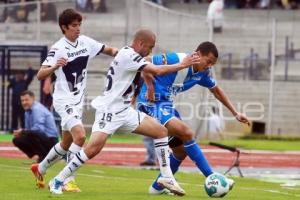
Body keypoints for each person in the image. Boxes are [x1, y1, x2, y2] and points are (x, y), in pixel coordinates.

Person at [47, 29, 201, 195]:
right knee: (92, 149)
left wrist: (145, 88)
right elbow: (157, 70)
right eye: (149, 47)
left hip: (125, 111)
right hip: (110, 111)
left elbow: (145, 74)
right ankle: (58, 180)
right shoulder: (129, 55)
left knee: (161, 131)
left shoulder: (131, 55)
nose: (150, 51)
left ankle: (166, 177)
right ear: (140, 43)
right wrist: (182, 65)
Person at [136, 41, 251, 195]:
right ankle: (213, 177)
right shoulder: (177, 58)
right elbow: (145, 62)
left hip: (166, 107)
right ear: (197, 54)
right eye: (208, 61)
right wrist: (149, 86)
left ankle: (156, 188)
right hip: (150, 104)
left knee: (180, 152)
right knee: (187, 132)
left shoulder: (203, 73)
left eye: (213, 64)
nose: (209, 66)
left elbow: (216, 90)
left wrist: (236, 113)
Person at [30, 8, 118, 192]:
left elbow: (109, 50)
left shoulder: (86, 42)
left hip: (78, 101)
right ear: (64, 27)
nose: (78, 29)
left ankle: (41, 168)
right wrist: (55, 66)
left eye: (79, 25)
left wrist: (128, 55)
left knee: (66, 143)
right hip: (64, 101)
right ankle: (67, 179)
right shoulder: (58, 48)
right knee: (80, 136)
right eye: (74, 26)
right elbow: (40, 75)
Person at [12, 90, 59, 163]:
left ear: (33, 98)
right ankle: (42, 156)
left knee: (32, 134)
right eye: (22, 100)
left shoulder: (37, 109)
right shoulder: (27, 111)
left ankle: (45, 157)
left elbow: (39, 130)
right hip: (43, 138)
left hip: (51, 140)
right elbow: (30, 130)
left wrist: (23, 131)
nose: (24, 102)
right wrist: (22, 133)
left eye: (26, 100)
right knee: (17, 140)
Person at [8, 67, 34, 131]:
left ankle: (23, 129)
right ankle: (14, 129)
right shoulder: (14, 81)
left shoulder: (25, 82)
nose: (18, 76)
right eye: (17, 75)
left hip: (23, 103)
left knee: (23, 116)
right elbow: (8, 84)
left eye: (20, 75)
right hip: (15, 102)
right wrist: (13, 79)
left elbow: (30, 76)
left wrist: (30, 69)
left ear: (23, 76)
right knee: (14, 116)